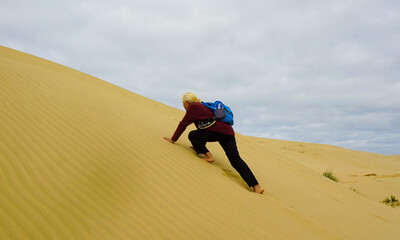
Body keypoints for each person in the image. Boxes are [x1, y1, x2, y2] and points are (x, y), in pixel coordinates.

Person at [164, 92, 264, 194]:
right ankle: (256, 186)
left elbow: (183, 124)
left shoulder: (193, 107)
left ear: (187, 102)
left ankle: (208, 156)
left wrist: (173, 139)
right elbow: (203, 127)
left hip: (217, 131)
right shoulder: (203, 105)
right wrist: (198, 145)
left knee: (192, 135)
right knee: (235, 160)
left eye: (183, 103)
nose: (183, 105)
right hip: (228, 133)